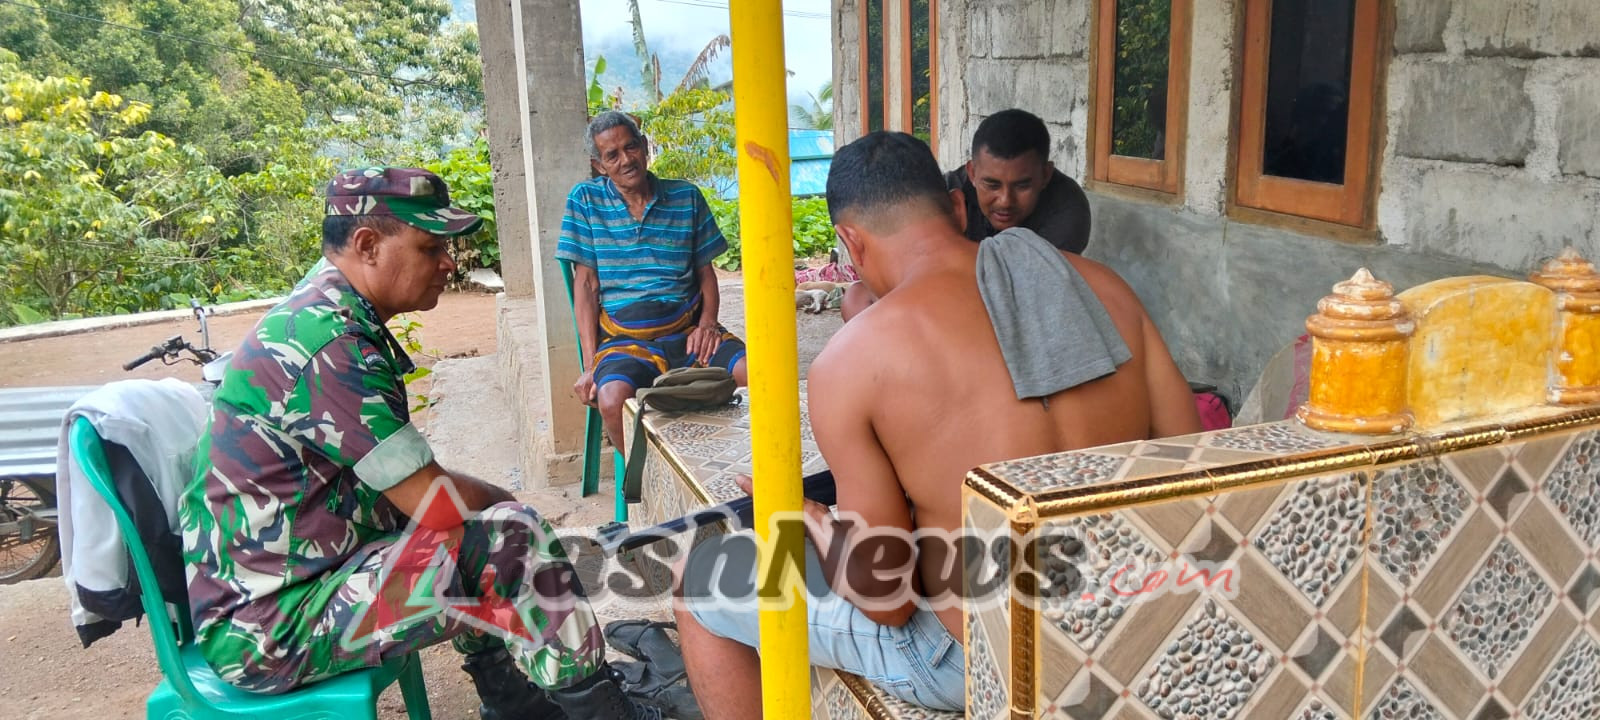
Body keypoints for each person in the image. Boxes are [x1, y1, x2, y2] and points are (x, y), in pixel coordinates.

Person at [673, 132, 1201, 716]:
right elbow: (1196, 469)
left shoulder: (850, 363)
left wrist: (815, 521)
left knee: (696, 582)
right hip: (1139, 626)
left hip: (984, 659)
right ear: (957, 206)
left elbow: (888, 599)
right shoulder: (1107, 288)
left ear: (850, 241)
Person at [180, 167, 665, 720]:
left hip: (300, 579)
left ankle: (515, 704)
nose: (448, 263)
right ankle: (602, 714)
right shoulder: (328, 343)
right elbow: (434, 504)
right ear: (367, 245)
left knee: (481, 531)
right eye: (430, 247)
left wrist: (489, 506)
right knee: (510, 540)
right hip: (271, 626)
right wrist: (503, 501)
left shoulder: (324, 314)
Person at [559, 111, 748, 449]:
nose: (626, 160)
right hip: (625, 341)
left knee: (755, 375)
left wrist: (707, 324)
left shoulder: (686, 197)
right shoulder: (585, 200)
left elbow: (706, 273)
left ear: (645, 147)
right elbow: (586, 286)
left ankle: (742, 465)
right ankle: (646, 481)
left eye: (631, 147)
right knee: (612, 400)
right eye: (612, 155)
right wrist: (590, 365)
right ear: (599, 165)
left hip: (688, 331)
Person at [841, 108, 1092, 320]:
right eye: (991, 185)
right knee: (857, 299)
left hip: (1026, 309)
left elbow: (1030, 293)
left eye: (1022, 186)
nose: (1005, 201)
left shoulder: (1067, 210)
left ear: (1045, 175)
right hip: (948, 295)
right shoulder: (945, 195)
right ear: (971, 173)